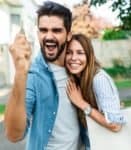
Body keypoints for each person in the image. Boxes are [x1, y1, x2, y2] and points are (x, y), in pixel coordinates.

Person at [4, 1, 86, 150]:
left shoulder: (79, 69)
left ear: (68, 35)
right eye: (43, 30)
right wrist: (20, 73)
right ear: (38, 34)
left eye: (56, 30)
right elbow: (13, 135)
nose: (48, 36)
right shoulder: (33, 75)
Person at [65, 34, 126, 133]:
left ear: (89, 56)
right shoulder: (77, 78)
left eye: (80, 53)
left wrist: (81, 103)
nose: (73, 57)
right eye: (69, 52)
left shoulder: (99, 79)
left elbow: (115, 125)